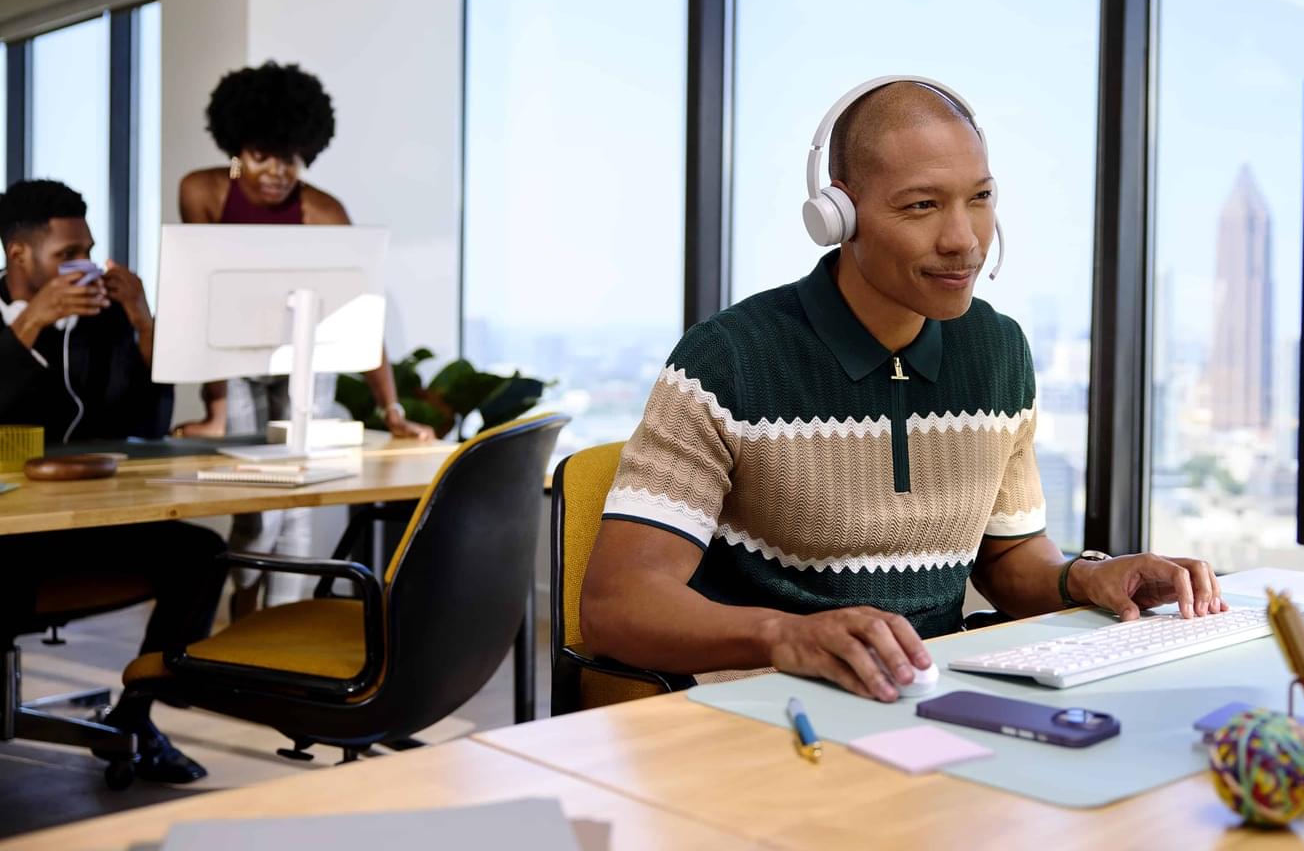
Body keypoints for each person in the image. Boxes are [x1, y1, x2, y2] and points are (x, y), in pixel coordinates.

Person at [580, 78, 1228, 703]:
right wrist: (787, 636)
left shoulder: (997, 352)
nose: (963, 240)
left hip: (934, 697)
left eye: (978, 198)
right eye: (921, 205)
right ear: (837, 214)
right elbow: (618, 604)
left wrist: (1090, 577)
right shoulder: (729, 360)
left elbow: (1009, 563)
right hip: (772, 710)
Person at [171, 61, 433, 612]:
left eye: (289, 157)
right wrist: (215, 408)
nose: (275, 171)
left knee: (297, 506)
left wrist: (392, 409)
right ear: (236, 150)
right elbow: (202, 298)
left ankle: (275, 632)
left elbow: (359, 314)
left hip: (307, 361)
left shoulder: (324, 212)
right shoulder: (202, 192)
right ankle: (243, 608)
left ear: (306, 153)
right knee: (260, 509)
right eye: (261, 155)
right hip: (235, 358)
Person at [0, 180, 225, 782]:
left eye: (91, 251)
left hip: (80, 523)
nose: (87, 268)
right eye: (67, 255)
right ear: (18, 255)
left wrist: (144, 323)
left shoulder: (101, 325)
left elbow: (146, 430)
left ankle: (136, 714)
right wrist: (29, 324)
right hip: (8, 535)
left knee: (199, 553)